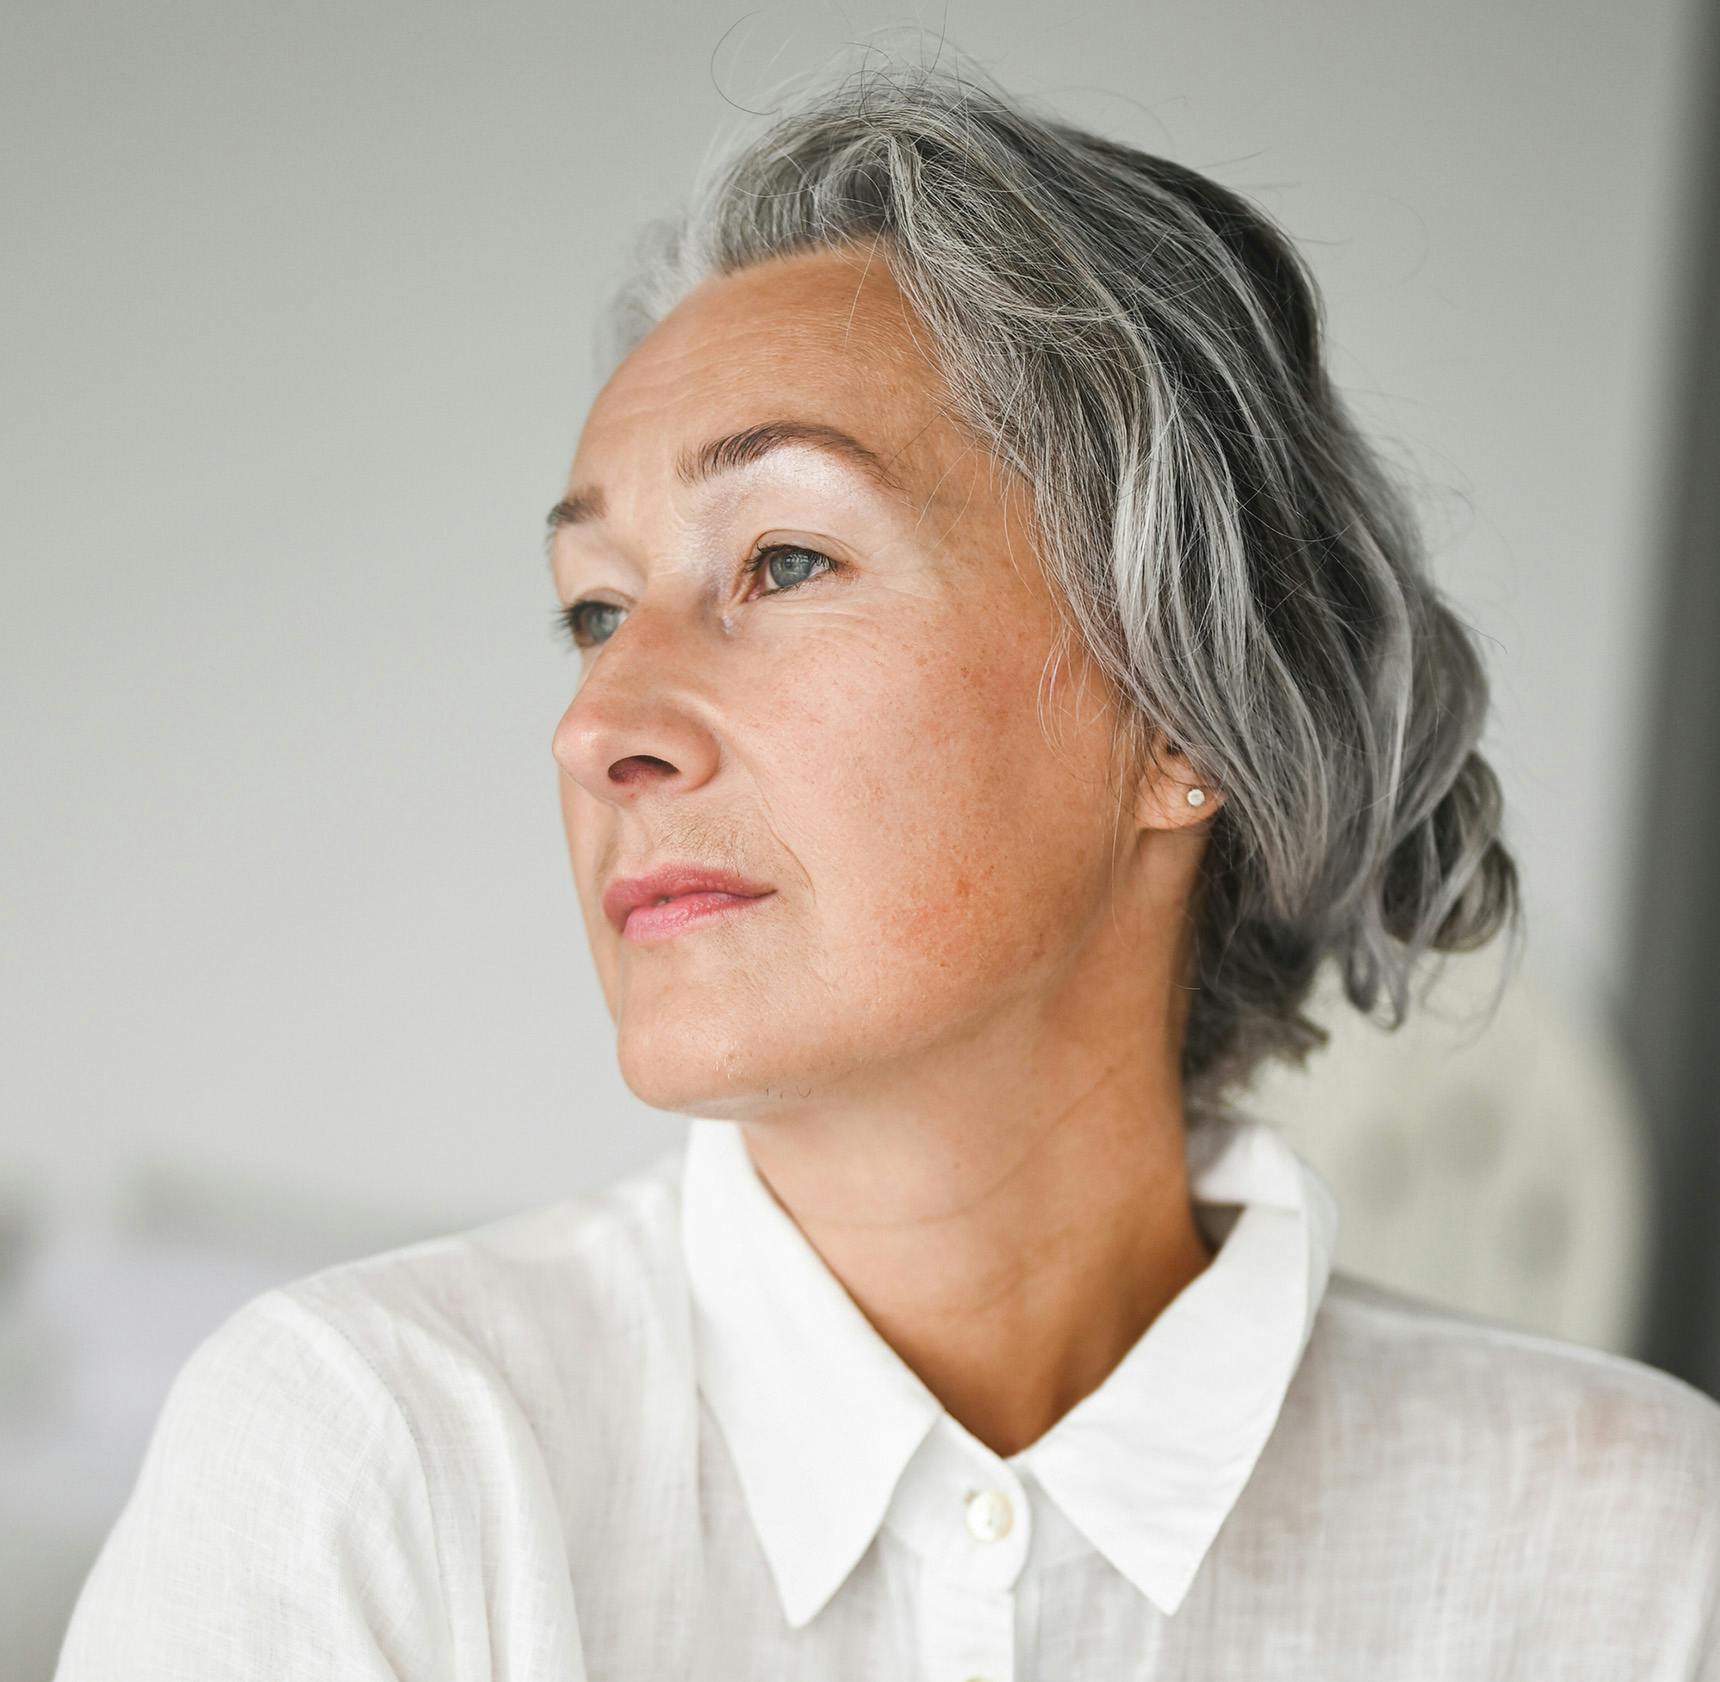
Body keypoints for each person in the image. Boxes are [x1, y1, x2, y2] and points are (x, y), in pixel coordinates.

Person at [54, 50, 1720, 1682]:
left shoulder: (1638, 1552)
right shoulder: (373, 1470)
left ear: (1182, 710)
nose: (600, 725)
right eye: (594, 609)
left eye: (784, 559)